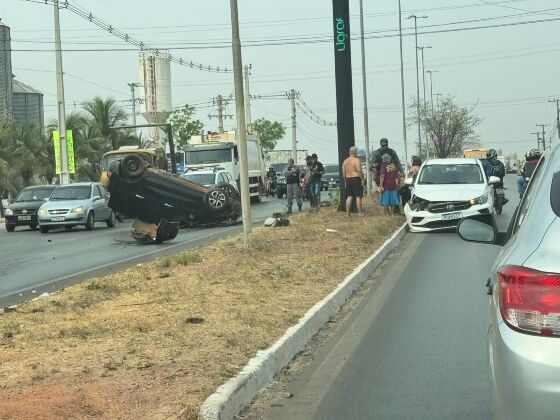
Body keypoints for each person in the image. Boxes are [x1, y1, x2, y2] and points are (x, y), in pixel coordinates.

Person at [374, 138, 404, 213]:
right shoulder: (376, 153)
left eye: (386, 145)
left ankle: (394, 211)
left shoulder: (392, 152)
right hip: (381, 176)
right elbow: (373, 165)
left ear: (388, 144)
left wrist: (402, 171)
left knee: (393, 194)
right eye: (383, 145)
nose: (385, 146)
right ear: (380, 144)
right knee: (385, 195)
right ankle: (387, 212)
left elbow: (397, 162)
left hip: (390, 176)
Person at [342, 146, 365, 217]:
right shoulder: (356, 160)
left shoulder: (345, 161)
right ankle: (360, 213)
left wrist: (345, 181)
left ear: (350, 152)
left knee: (349, 196)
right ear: (355, 152)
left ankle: (347, 214)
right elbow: (359, 171)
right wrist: (362, 179)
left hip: (348, 179)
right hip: (356, 179)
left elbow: (343, 174)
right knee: (358, 196)